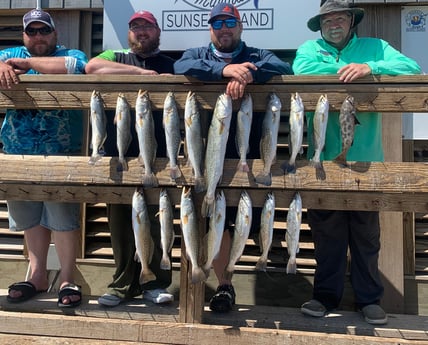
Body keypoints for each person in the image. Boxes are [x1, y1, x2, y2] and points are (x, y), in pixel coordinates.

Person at [293, 0, 421, 325]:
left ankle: (369, 300)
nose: (334, 24)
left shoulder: (375, 47)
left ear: (352, 21)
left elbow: (411, 68)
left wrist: (371, 69)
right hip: (322, 165)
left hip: (366, 162)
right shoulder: (309, 49)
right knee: (326, 235)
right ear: (319, 25)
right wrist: (345, 73)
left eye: (340, 18)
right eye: (327, 19)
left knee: (366, 235)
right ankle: (324, 296)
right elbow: (301, 71)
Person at [174, 3, 292, 312]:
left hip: (250, 156)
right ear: (210, 29)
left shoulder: (256, 55)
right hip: (206, 156)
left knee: (243, 222)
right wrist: (223, 70)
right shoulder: (198, 55)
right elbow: (181, 67)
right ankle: (225, 286)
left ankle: (237, 275)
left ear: (240, 26)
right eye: (217, 23)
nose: (224, 28)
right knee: (215, 222)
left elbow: (283, 68)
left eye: (230, 22)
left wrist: (250, 74)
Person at [85, 10, 175, 307]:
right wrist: (140, 74)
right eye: (135, 27)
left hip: (158, 158)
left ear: (157, 31)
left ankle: (155, 282)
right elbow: (91, 67)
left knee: (156, 220)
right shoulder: (117, 58)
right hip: (118, 159)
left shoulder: (171, 64)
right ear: (129, 33)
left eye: (147, 27)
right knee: (121, 223)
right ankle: (122, 283)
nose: (141, 32)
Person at [0, 8, 88, 308]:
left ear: (54, 33)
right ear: (24, 35)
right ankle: (37, 275)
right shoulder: (8, 54)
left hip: (61, 153)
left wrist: (26, 63)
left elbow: (78, 67)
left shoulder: (70, 53)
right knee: (30, 218)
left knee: (63, 218)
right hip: (18, 151)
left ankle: (66, 277)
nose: (38, 36)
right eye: (32, 31)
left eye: (43, 30)